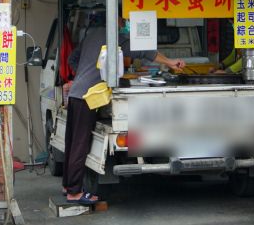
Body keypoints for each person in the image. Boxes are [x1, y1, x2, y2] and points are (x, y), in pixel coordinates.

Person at [64, 18, 185, 205]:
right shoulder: (114, 37)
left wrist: (81, 76)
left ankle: (69, 186)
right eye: (125, 22)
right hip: (89, 96)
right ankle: (74, 193)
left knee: (72, 142)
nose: (126, 26)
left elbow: (73, 58)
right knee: (80, 143)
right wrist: (169, 62)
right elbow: (144, 51)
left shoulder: (91, 34)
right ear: (118, 20)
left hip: (76, 94)